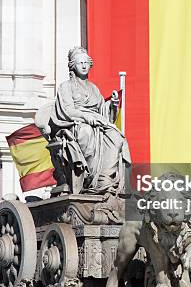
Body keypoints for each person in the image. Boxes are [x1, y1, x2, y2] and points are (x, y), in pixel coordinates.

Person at [50, 46, 131, 195]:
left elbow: (103, 113)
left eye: (86, 62)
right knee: (86, 132)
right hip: (75, 124)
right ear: (73, 66)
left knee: (117, 137)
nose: (84, 65)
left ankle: (103, 177)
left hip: (97, 122)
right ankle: (88, 179)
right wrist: (87, 117)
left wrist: (112, 105)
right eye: (80, 63)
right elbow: (67, 111)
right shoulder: (65, 87)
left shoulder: (94, 89)